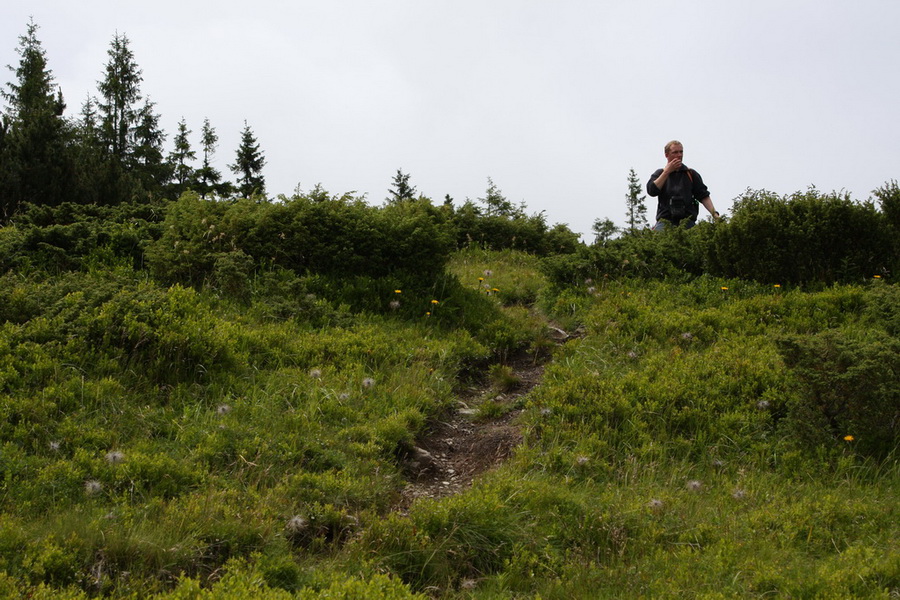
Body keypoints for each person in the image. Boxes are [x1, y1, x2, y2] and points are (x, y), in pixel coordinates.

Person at [647, 140, 720, 230]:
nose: (679, 155)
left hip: (688, 221)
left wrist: (714, 214)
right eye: (675, 152)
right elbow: (652, 190)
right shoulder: (660, 174)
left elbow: (703, 196)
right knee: (658, 242)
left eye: (681, 152)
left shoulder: (690, 174)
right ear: (666, 155)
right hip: (665, 221)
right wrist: (667, 172)